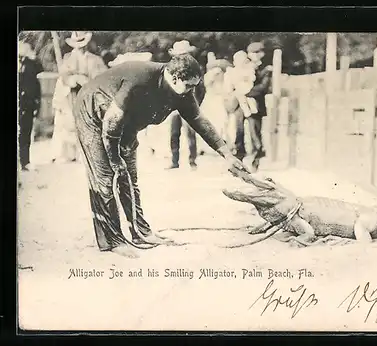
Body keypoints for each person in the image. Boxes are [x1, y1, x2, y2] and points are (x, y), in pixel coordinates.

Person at [73, 54, 251, 258]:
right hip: (94, 112)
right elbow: (111, 124)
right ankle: (112, 240)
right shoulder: (140, 79)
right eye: (189, 86)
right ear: (174, 78)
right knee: (106, 178)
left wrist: (227, 155)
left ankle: (141, 232)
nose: (191, 92)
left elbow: (200, 122)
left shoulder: (181, 91)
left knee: (130, 177)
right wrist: (114, 159)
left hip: (125, 123)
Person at [51, 31, 108, 163]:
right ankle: (69, 154)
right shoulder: (67, 58)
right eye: (77, 44)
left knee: (89, 122)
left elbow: (102, 77)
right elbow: (64, 77)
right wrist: (73, 79)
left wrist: (86, 81)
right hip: (72, 95)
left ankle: (87, 153)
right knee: (69, 123)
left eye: (82, 43)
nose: (80, 46)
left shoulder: (95, 59)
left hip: (88, 95)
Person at [167, 40, 205, 170]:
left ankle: (192, 161)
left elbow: (201, 90)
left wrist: (196, 104)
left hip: (189, 106)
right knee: (174, 133)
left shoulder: (196, 68)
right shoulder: (171, 68)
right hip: (173, 107)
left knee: (190, 134)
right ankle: (174, 161)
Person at [245, 42, 272, 171]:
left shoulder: (266, 69)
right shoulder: (247, 67)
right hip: (244, 104)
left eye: (256, 53)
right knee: (241, 132)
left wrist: (246, 91)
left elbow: (263, 88)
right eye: (252, 53)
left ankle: (256, 161)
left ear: (262, 54)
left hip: (256, 105)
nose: (253, 56)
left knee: (255, 133)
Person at [18, 39, 43, 171]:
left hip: (27, 103)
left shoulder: (30, 63)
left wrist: (32, 56)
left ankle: (25, 161)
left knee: (25, 133)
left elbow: (40, 69)